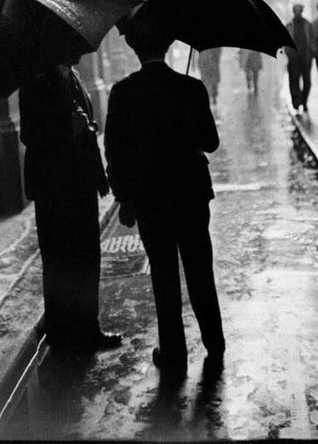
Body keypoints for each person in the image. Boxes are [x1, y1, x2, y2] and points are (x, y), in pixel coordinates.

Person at [104, 21, 225, 377]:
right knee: (201, 270)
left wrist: (124, 197)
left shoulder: (123, 92)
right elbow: (211, 142)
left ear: (136, 51)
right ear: (169, 44)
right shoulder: (191, 88)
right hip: (190, 195)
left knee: (164, 274)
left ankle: (174, 353)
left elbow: (115, 151)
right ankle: (214, 344)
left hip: (150, 199)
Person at [19, 50, 122, 351]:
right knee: (59, 259)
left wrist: (85, 128)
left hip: (81, 181)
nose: (82, 50)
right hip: (55, 187)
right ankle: (63, 332)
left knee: (87, 256)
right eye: (74, 45)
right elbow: (30, 135)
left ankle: (87, 326)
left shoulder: (72, 77)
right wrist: (69, 128)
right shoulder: (37, 83)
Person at [285, 4, 313, 112]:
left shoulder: (307, 25)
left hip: (305, 57)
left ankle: (304, 101)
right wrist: (289, 54)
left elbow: (312, 39)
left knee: (307, 82)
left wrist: (311, 53)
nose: (298, 13)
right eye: (296, 11)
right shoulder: (289, 26)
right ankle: (296, 102)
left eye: (299, 11)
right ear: (293, 12)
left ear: (301, 11)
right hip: (293, 58)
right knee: (294, 81)